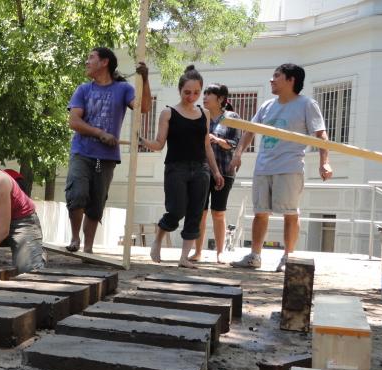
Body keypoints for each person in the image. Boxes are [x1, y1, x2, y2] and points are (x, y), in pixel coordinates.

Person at [231, 63, 332, 272]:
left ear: (290, 80)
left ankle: (288, 258)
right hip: (263, 167)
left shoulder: (307, 104)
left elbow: (321, 135)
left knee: (290, 213)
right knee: (260, 212)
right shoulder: (267, 106)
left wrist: (324, 162)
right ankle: (255, 256)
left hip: (289, 167)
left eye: (276, 76)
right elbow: (250, 131)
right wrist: (238, 154)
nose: (271, 79)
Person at [65, 47, 152, 253]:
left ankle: (88, 248)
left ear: (104, 62)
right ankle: (75, 238)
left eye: (91, 57)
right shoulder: (83, 90)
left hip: (107, 157)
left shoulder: (123, 89)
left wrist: (145, 80)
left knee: (96, 204)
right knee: (76, 195)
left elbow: (144, 108)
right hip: (82, 152)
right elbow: (74, 121)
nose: (86, 61)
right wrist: (99, 133)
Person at [139, 66, 225, 268]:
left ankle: (184, 258)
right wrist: (142, 141)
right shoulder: (168, 113)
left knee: (195, 213)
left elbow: (206, 146)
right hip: (176, 168)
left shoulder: (204, 114)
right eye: (187, 92)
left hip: (201, 170)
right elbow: (159, 144)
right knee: (176, 210)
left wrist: (216, 171)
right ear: (180, 90)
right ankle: (158, 240)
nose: (191, 96)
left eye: (196, 92)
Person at [190, 83, 242, 264]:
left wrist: (217, 140)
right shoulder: (199, 115)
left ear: (220, 99)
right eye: (204, 94)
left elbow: (235, 144)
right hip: (201, 171)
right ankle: (197, 252)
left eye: (208, 94)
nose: (204, 97)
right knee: (200, 212)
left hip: (225, 170)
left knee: (218, 212)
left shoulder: (232, 117)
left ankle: (220, 252)